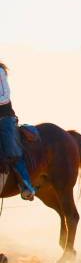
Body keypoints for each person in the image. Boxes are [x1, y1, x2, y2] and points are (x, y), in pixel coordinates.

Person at [0, 60, 36, 200]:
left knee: (12, 152)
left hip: (4, 118)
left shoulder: (0, 72)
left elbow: (5, 96)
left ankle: (27, 187)